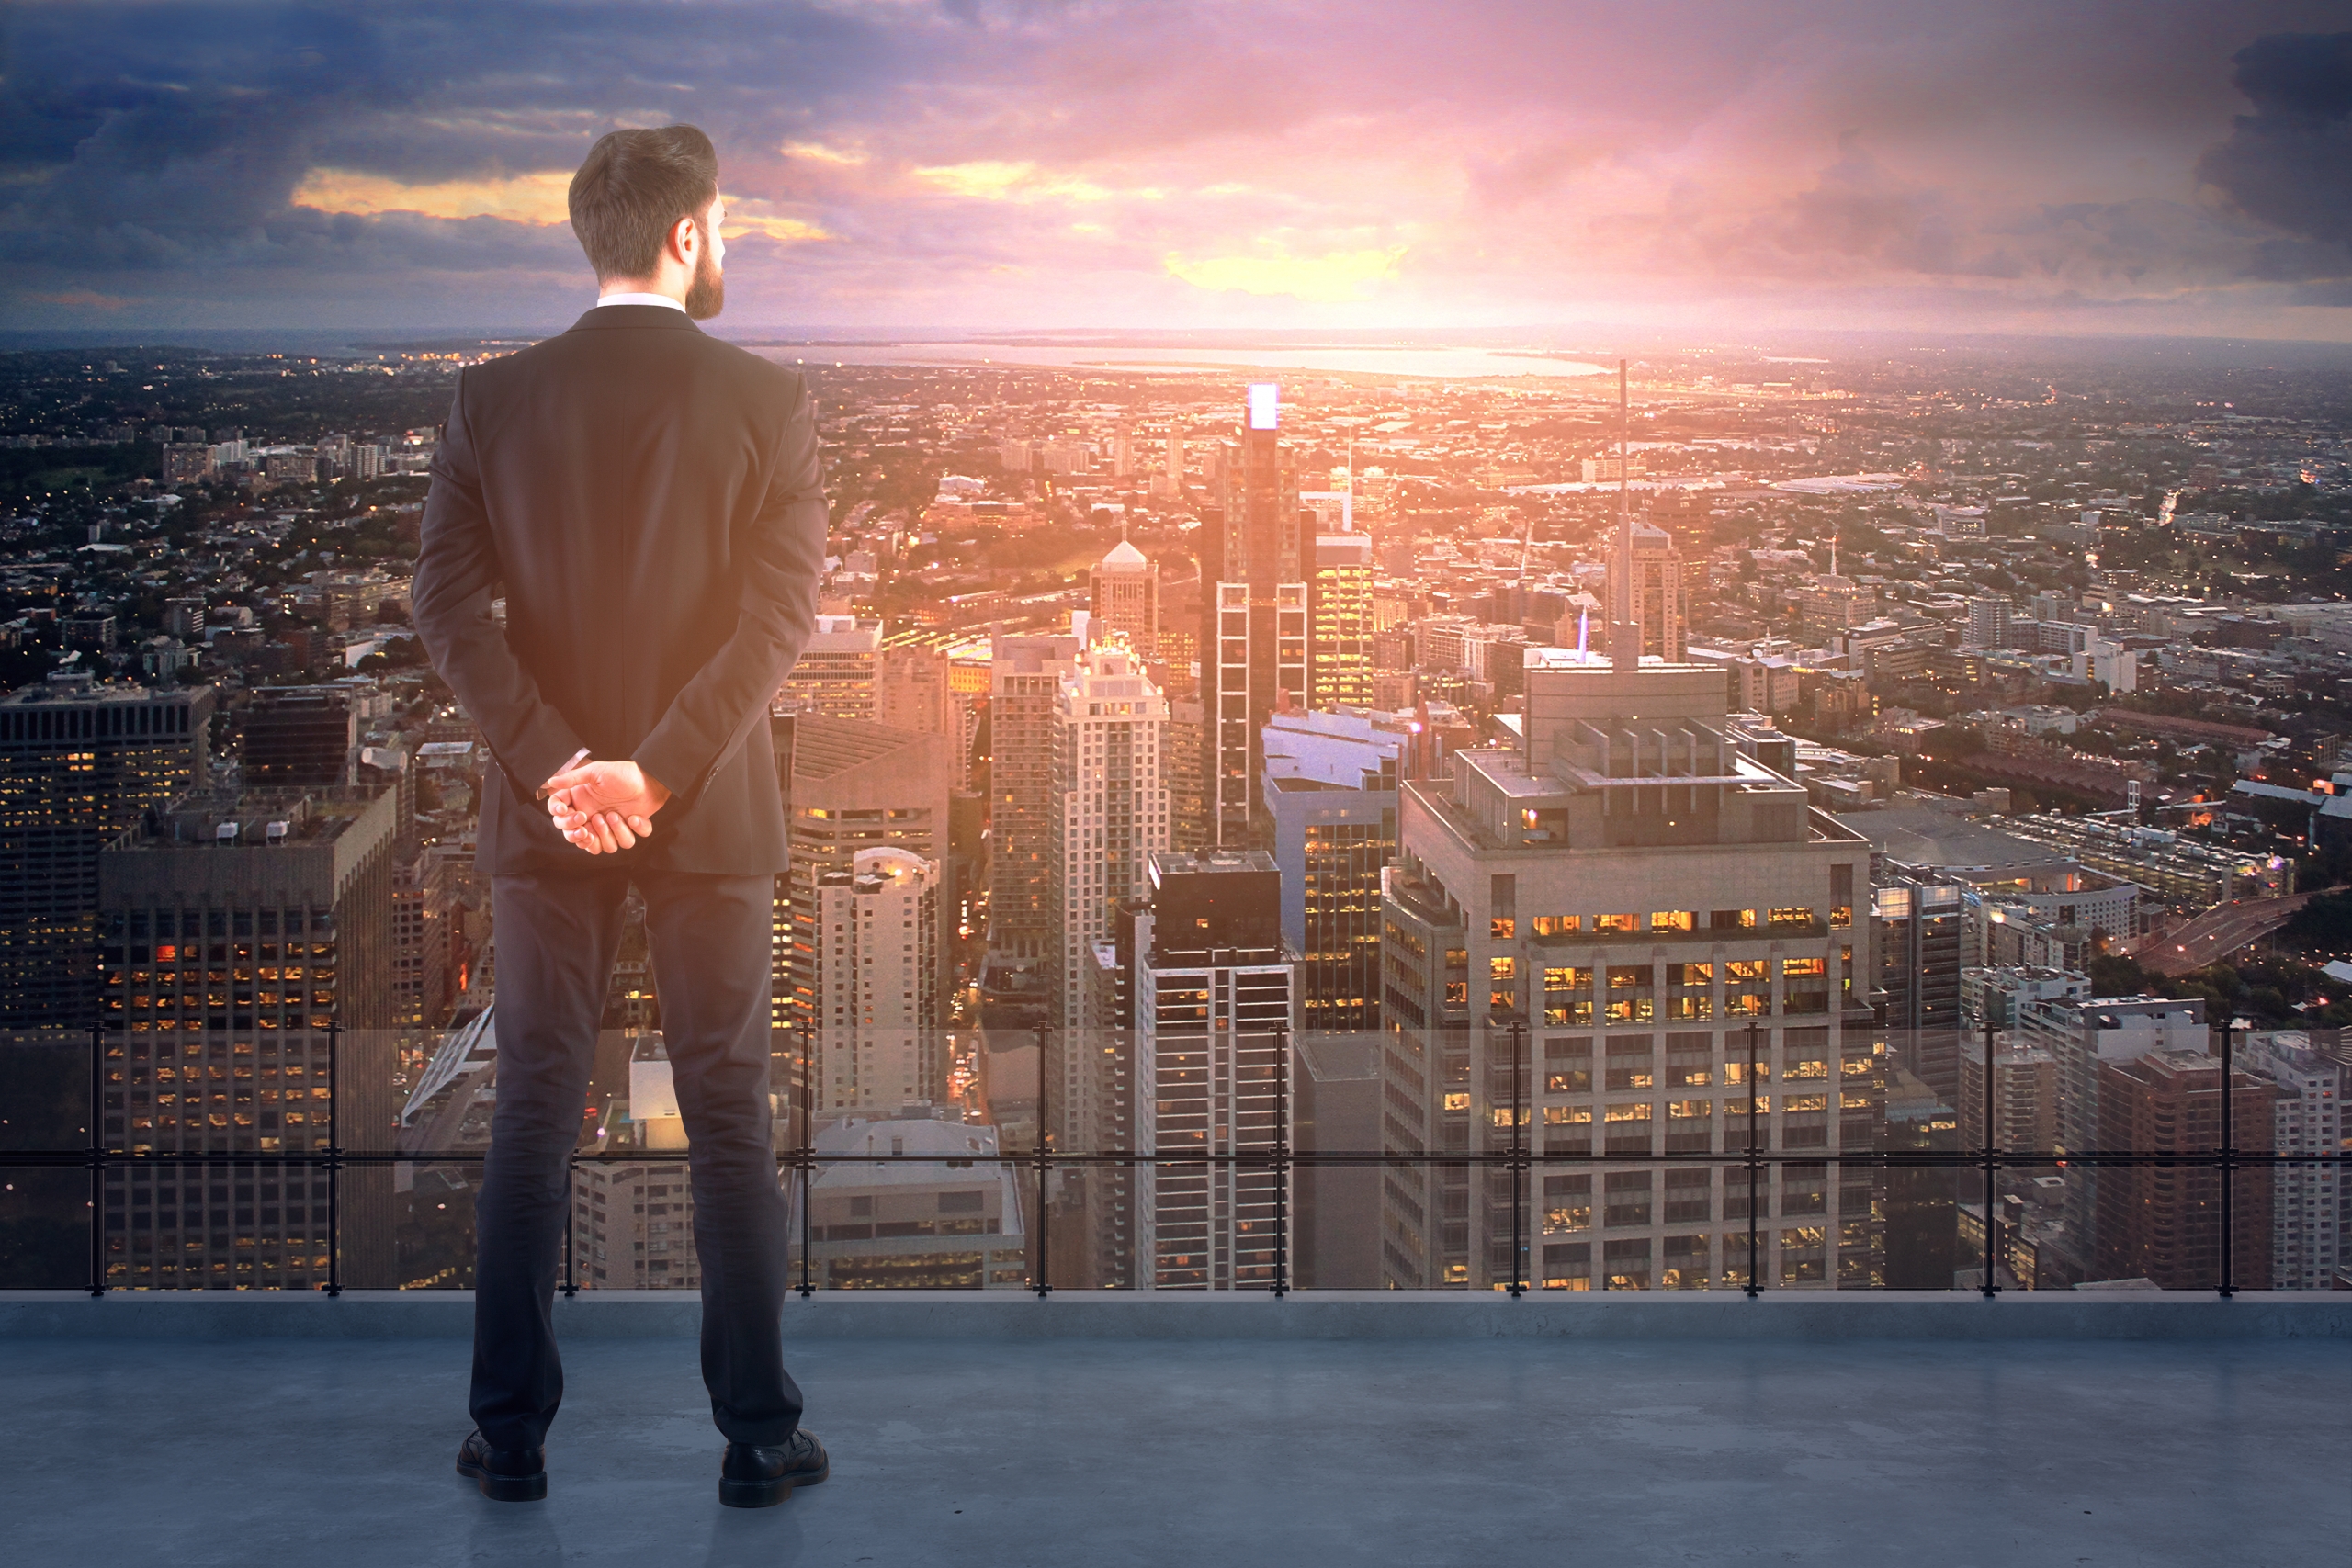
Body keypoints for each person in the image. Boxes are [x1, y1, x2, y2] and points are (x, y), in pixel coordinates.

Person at [413, 123, 830, 1509]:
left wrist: (556, 767)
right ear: (690, 234)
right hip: (710, 816)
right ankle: (759, 1439)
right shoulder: (768, 400)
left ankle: (511, 1437)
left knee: (535, 1109)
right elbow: (776, 625)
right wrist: (653, 772)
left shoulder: (489, 399)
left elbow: (446, 614)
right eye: (730, 224)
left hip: (546, 825)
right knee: (725, 1109)